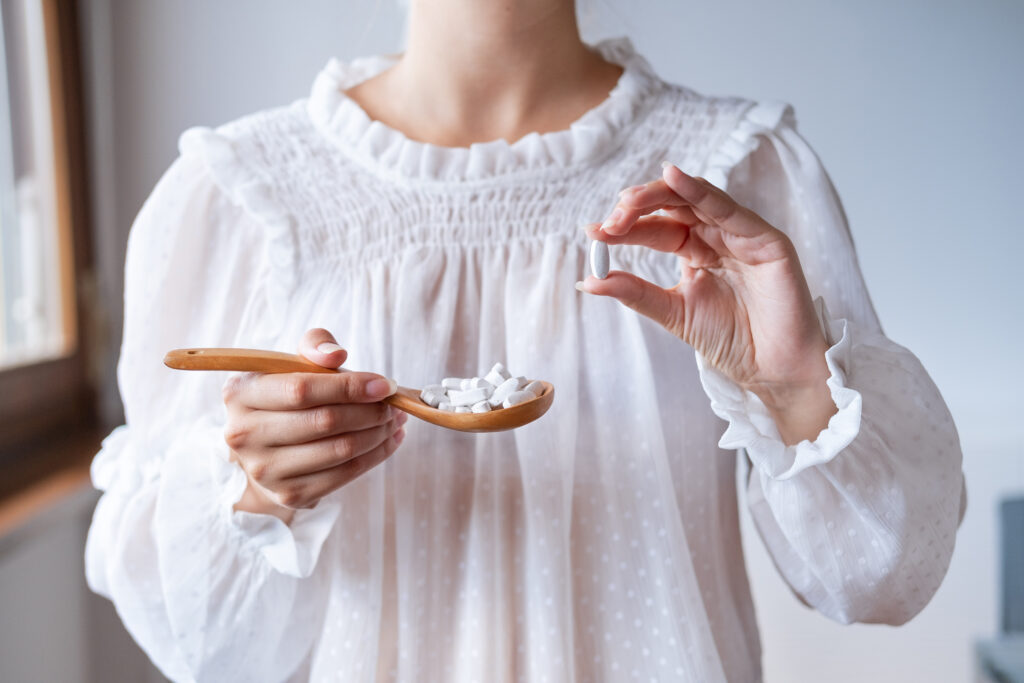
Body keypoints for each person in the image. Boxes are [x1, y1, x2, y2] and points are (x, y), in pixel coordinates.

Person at [84, 0, 966, 681]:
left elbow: (881, 578)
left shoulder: (743, 174)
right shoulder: (237, 200)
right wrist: (256, 494)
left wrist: (794, 390)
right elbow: (198, 642)